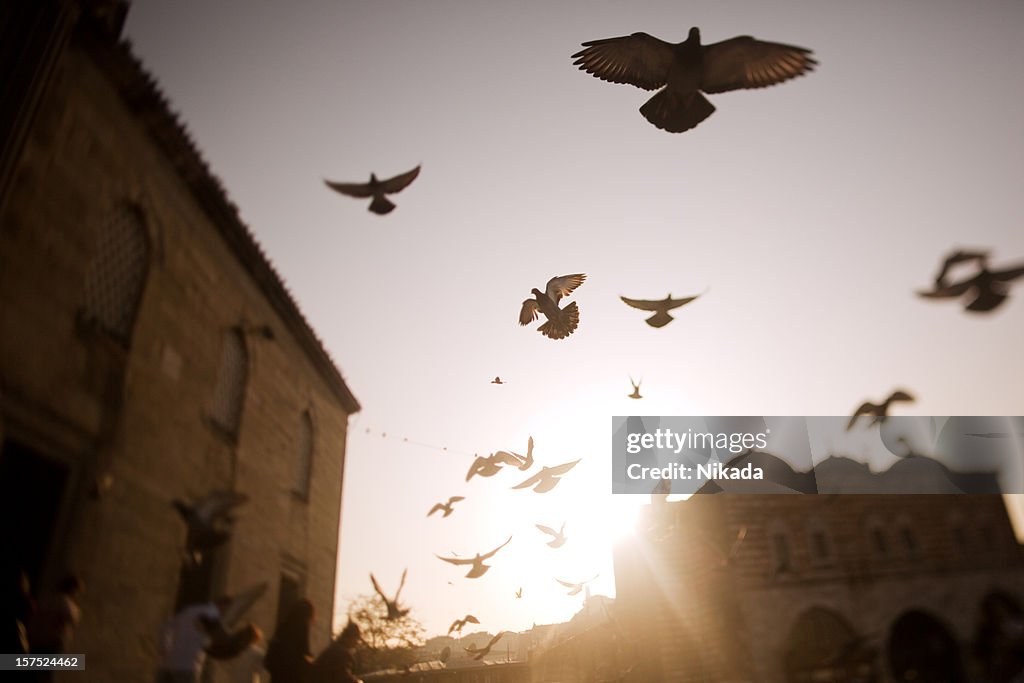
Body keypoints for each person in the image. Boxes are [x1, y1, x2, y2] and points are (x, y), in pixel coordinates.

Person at [157, 596, 231, 683]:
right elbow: (224, 642)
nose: (226, 613)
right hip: (188, 666)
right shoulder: (214, 618)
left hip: (169, 662)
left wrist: (165, 648)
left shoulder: (191, 610)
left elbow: (165, 627)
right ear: (222, 606)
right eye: (226, 610)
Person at [27, 574, 83, 683]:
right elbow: (73, 618)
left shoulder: (47, 599)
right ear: (72, 589)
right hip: (52, 641)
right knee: (45, 673)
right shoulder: (66, 604)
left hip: (37, 639)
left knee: (34, 671)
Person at [264, 600, 314, 683]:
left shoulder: (283, 626)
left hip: (277, 676)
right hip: (292, 676)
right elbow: (305, 651)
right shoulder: (302, 627)